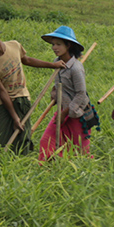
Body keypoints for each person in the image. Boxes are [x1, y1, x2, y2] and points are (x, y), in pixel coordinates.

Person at [0, 25, 64, 152]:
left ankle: (23, 165)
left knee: (23, 138)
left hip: (22, 98)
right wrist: (14, 117)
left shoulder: (14, 45)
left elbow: (27, 60)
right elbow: (1, 92)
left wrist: (52, 65)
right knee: (0, 141)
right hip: (4, 102)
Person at [38, 25, 91, 161]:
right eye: (53, 44)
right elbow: (58, 84)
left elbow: (81, 94)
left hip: (77, 112)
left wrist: (65, 112)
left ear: (68, 45)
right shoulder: (57, 62)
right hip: (62, 109)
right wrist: (54, 91)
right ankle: (48, 169)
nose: (54, 47)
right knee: (47, 140)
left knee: (80, 150)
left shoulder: (76, 68)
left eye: (58, 44)